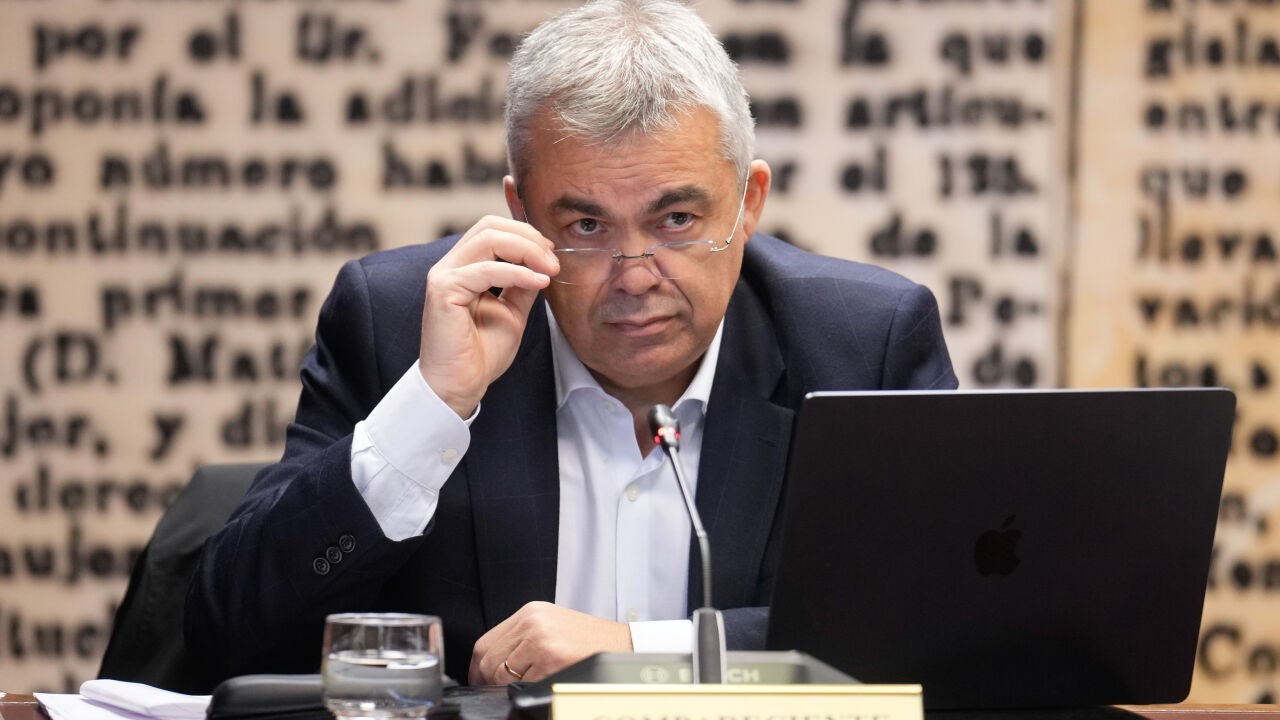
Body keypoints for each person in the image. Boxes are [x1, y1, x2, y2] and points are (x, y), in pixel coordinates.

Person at [186, 0, 957, 688]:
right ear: (522, 214)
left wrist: (641, 653)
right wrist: (434, 405)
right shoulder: (399, 323)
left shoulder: (863, 345)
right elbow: (227, 636)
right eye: (586, 226)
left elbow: (936, 626)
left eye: (676, 221)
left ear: (748, 202)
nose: (636, 275)